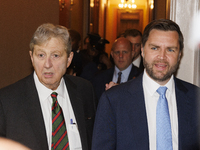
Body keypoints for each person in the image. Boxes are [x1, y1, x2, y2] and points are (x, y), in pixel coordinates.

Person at [92, 19, 200, 150]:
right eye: (155, 48)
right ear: (142, 50)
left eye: (170, 50)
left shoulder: (195, 98)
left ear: (179, 55)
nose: (162, 56)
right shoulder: (113, 100)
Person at [0, 23, 97, 150]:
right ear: (32, 58)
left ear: (69, 59)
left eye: (55, 55)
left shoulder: (84, 90)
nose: (47, 64)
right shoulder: (7, 101)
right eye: (41, 55)